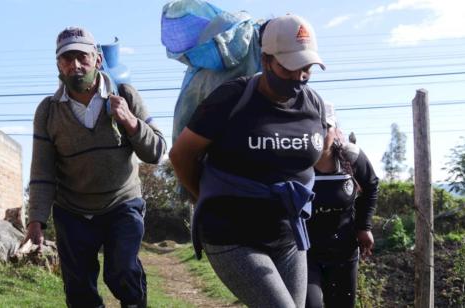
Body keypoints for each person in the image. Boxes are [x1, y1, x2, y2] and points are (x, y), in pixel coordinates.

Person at [170, 14, 327, 307]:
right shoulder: (232, 98)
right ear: (266, 60)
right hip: (232, 234)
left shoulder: (314, 104)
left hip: (288, 237)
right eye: (290, 67)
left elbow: (319, 152)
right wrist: (205, 198)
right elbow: (181, 155)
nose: (299, 76)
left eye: (306, 68)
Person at [24, 26, 166, 308]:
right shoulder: (48, 111)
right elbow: (42, 170)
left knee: (122, 272)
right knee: (79, 290)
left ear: (98, 60)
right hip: (72, 210)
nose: (75, 65)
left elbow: (158, 152)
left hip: (122, 203)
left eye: (82, 57)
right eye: (67, 59)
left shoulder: (125, 94)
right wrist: (36, 220)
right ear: (58, 65)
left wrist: (131, 122)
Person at [306, 103, 379, 308]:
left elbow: (371, 185)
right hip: (304, 252)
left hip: (343, 250)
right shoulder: (294, 161)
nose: (317, 134)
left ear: (335, 130)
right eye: (310, 127)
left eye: (324, 127)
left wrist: (364, 226)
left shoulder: (350, 156)